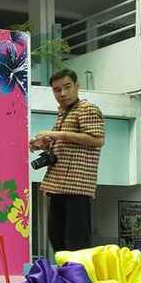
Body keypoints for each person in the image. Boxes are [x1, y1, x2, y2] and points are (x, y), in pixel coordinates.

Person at [31, 68, 105, 252]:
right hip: (58, 184)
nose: (62, 93)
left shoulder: (87, 108)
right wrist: (43, 144)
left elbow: (97, 139)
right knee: (56, 236)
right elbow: (66, 145)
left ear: (77, 86)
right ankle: (65, 270)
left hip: (77, 185)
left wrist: (58, 134)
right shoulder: (64, 113)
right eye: (57, 90)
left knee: (76, 240)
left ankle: (76, 271)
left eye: (67, 87)